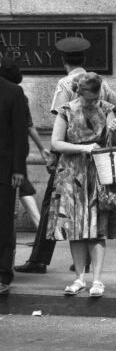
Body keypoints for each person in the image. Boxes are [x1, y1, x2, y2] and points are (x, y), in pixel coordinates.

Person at [15, 37, 116, 275]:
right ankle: (86, 260)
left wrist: (54, 155)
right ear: (84, 59)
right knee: (92, 207)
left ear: (63, 60)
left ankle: (39, 259)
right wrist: (106, 129)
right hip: (96, 158)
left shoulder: (67, 83)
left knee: (52, 206)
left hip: (71, 158)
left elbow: (62, 119)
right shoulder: (99, 81)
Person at [47, 73, 116, 298]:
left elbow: (112, 141)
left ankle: (97, 279)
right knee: (75, 228)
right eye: (89, 99)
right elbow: (56, 142)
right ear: (79, 93)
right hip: (71, 172)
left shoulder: (106, 108)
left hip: (97, 171)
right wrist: (83, 148)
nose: (93, 102)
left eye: (96, 97)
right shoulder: (66, 110)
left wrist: (115, 130)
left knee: (96, 228)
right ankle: (80, 277)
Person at [0, 58, 49, 230]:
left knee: (23, 189)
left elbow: (26, 127)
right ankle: (39, 226)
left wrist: (42, 148)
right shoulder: (16, 94)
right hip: (13, 159)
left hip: (11, 160)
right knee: (24, 189)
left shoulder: (16, 95)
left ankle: (39, 225)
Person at [0, 66, 29, 295]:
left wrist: (19, 169)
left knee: (3, 223)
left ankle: (3, 274)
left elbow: (20, 133)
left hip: (5, 169)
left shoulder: (12, 92)